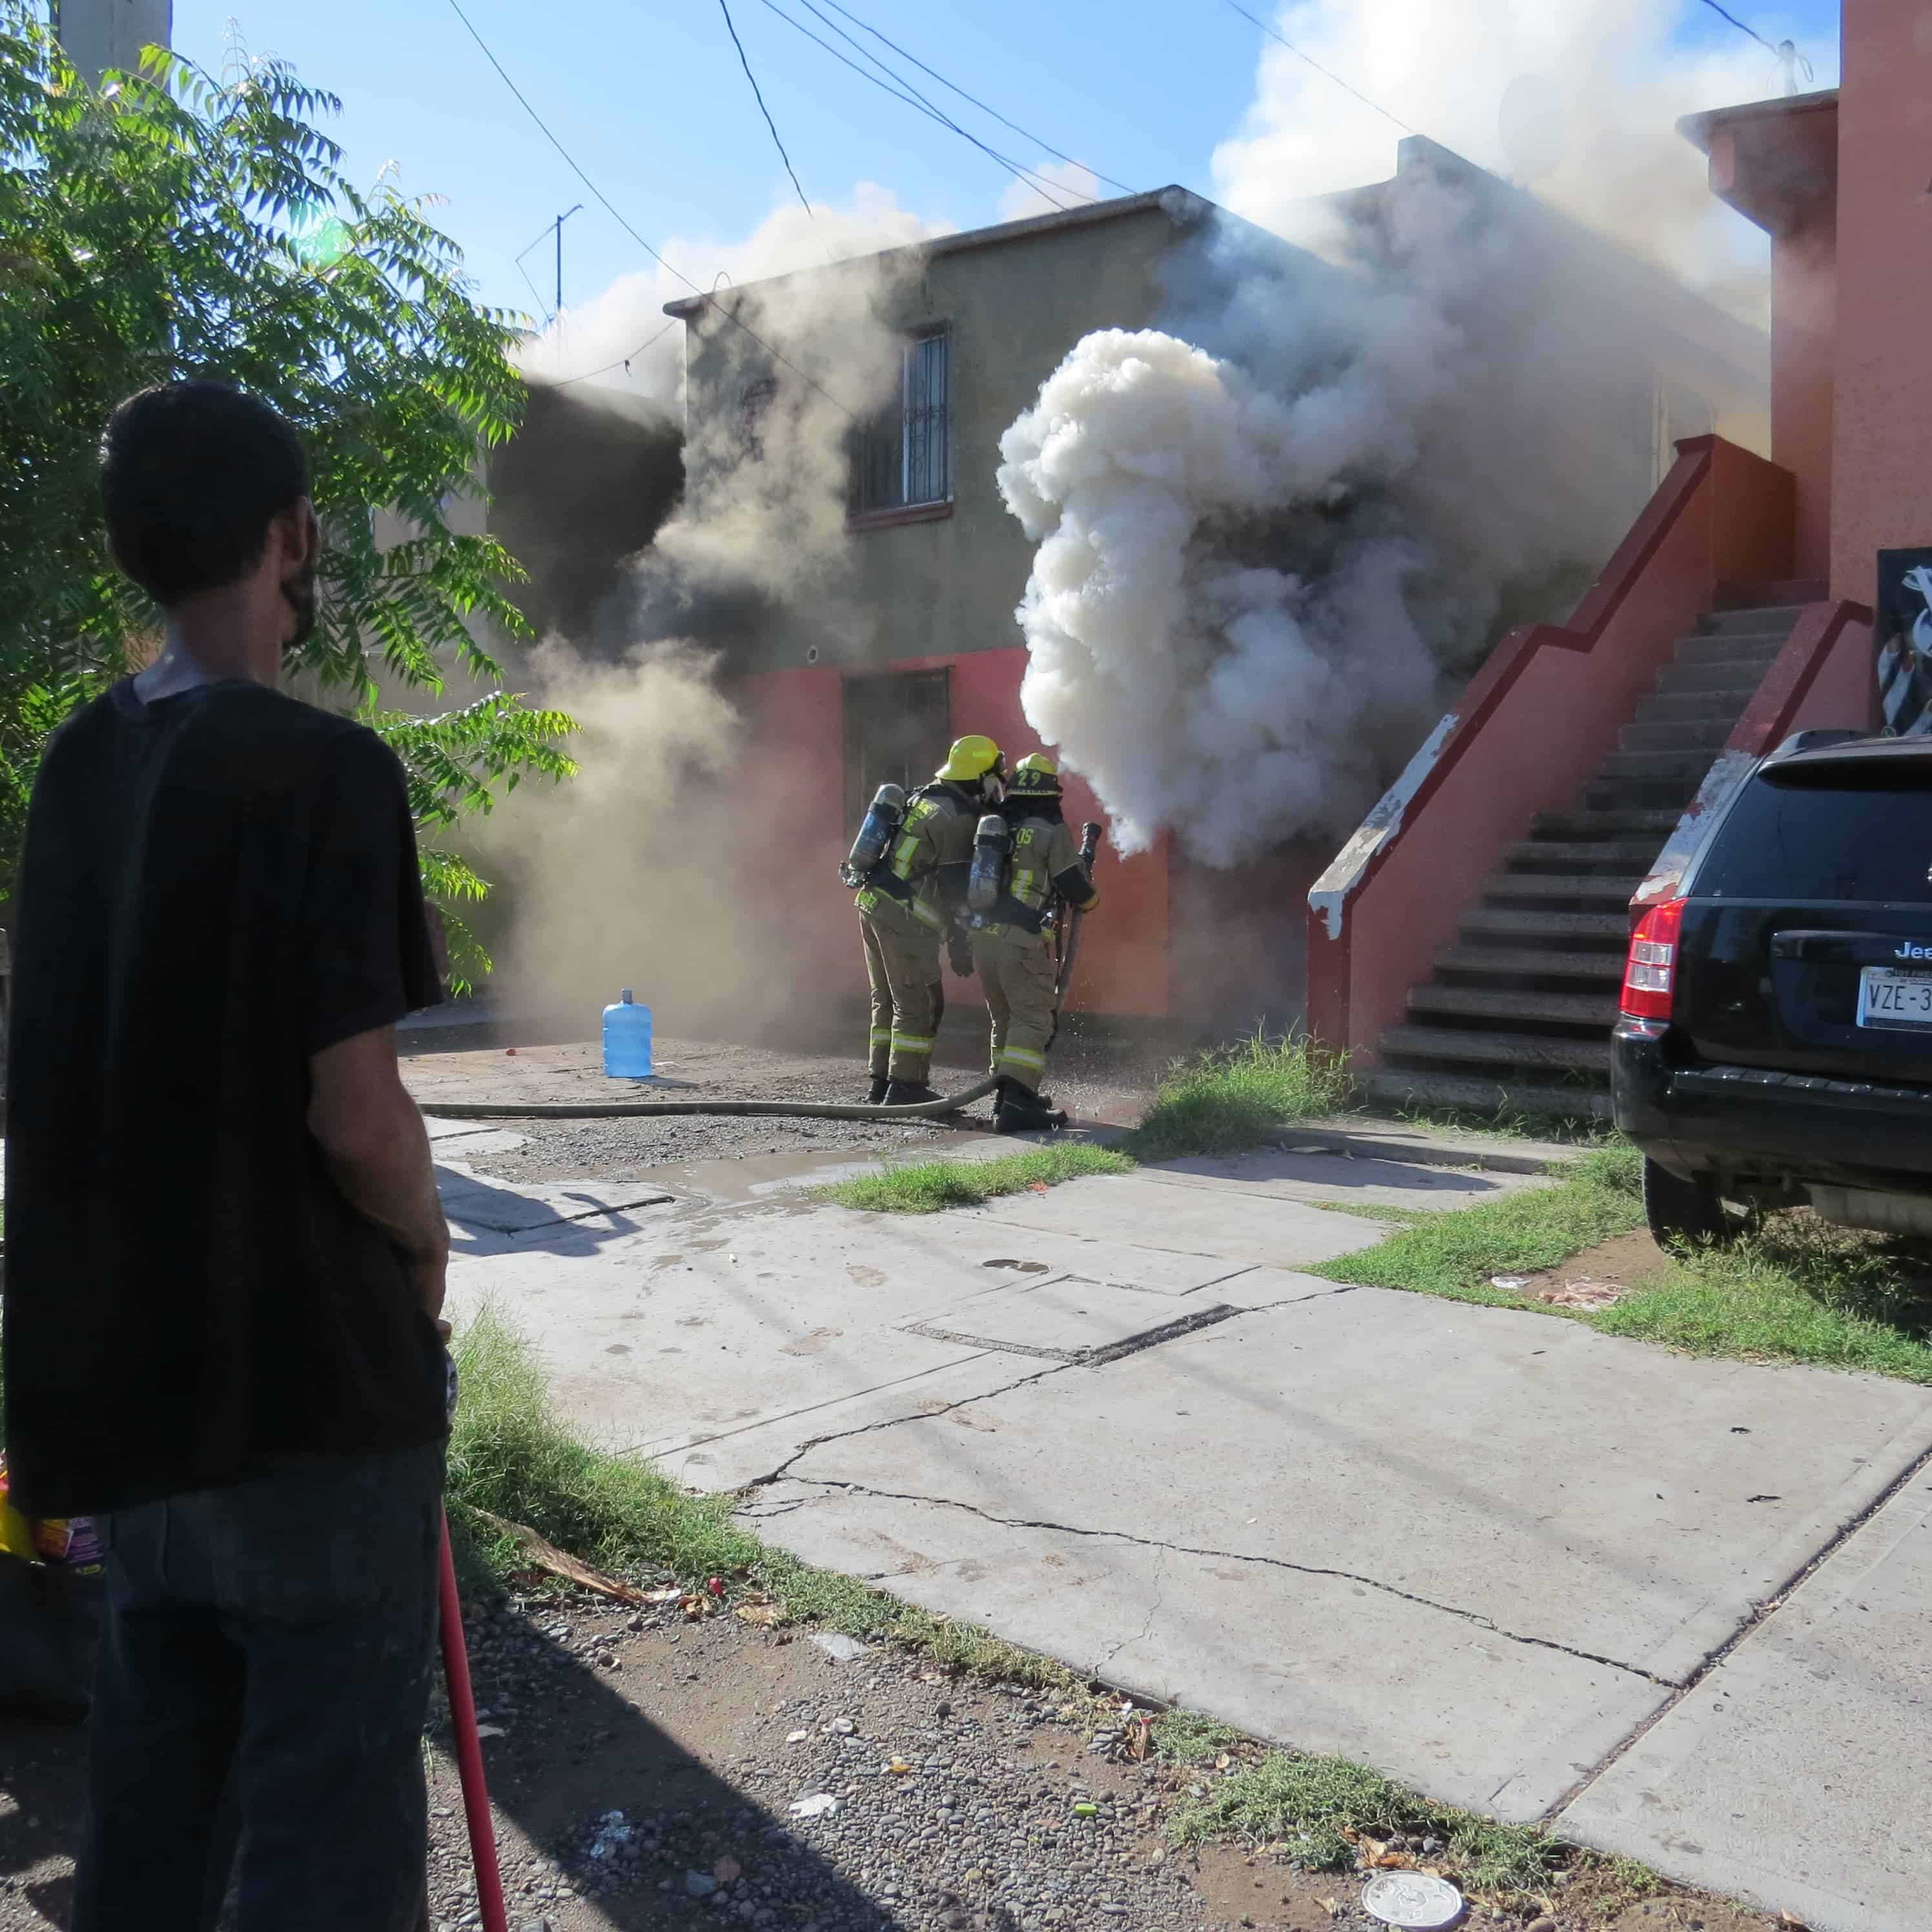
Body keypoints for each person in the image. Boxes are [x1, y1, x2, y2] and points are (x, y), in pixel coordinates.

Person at [1, 382, 452, 1932]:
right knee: (322, 1838)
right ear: (291, 533)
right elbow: (358, 1116)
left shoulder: (73, 772)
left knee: (155, 1810)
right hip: (310, 1398)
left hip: (130, 1405)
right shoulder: (327, 771)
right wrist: (425, 1236)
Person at [850, 734, 1003, 1105]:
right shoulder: (958, 818)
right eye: (994, 778)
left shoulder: (924, 796)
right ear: (981, 778)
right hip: (905, 918)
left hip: (872, 904)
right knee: (920, 1002)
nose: (998, 786)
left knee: (887, 998)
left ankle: (882, 1081)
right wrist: (960, 941)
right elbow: (953, 887)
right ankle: (906, 1087)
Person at [969, 753, 1099, 1135]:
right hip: (1022, 944)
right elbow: (1077, 890)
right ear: (1050, 795)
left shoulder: (996, 825)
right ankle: (1018, 1104)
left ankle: (1006, 1095)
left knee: (1005, 1020)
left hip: (986, 940)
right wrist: (1091, 896)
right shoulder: (1050, 831)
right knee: (1033, 1019)